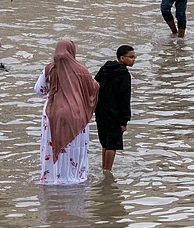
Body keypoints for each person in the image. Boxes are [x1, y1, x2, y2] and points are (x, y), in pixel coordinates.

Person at [35, 39, 99, 185]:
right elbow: (92, 90)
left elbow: (39, 90)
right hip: (77, 113)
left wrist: (52, 91)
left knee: (52, 143)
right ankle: (76, 177)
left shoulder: (49, 69)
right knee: (75, 146)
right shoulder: (82, 70)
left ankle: (52, 177)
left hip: (52, 113)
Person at [94, 45, 136, 173]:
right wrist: (125, 120)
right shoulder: (124, 75)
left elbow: (95, 84)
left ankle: (104, 168)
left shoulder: (105, 68)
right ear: (122, 58)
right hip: (115, 115)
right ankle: (108, 172)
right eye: (131, 57)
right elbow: (124, 99)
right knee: (112, 145)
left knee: (105, 143)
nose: (133, 60)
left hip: (100, 111)